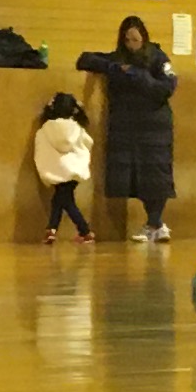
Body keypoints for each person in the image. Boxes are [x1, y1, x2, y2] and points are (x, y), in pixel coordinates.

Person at [75, 13, 178, 243]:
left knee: (155, 175)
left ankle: (154, 222)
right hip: (127, 127)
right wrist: (113, 68)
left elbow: (167, 87)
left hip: (154, 127)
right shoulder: (118, 58)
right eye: (127, 40)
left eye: (136, 40)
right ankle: (155, 225)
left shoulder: (158, 58)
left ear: (144, 38)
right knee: (134, 177)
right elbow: (84, 59)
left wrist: (139, 76)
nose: (132, 45)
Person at [32, 90, 94, 243]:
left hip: (56, 170)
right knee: (62, 199)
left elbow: (40, 147)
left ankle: (83, 231)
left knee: (63, 200)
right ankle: (55, 230)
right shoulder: (77, 128)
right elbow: (89, 142)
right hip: (74, 169)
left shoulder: (45, 129)